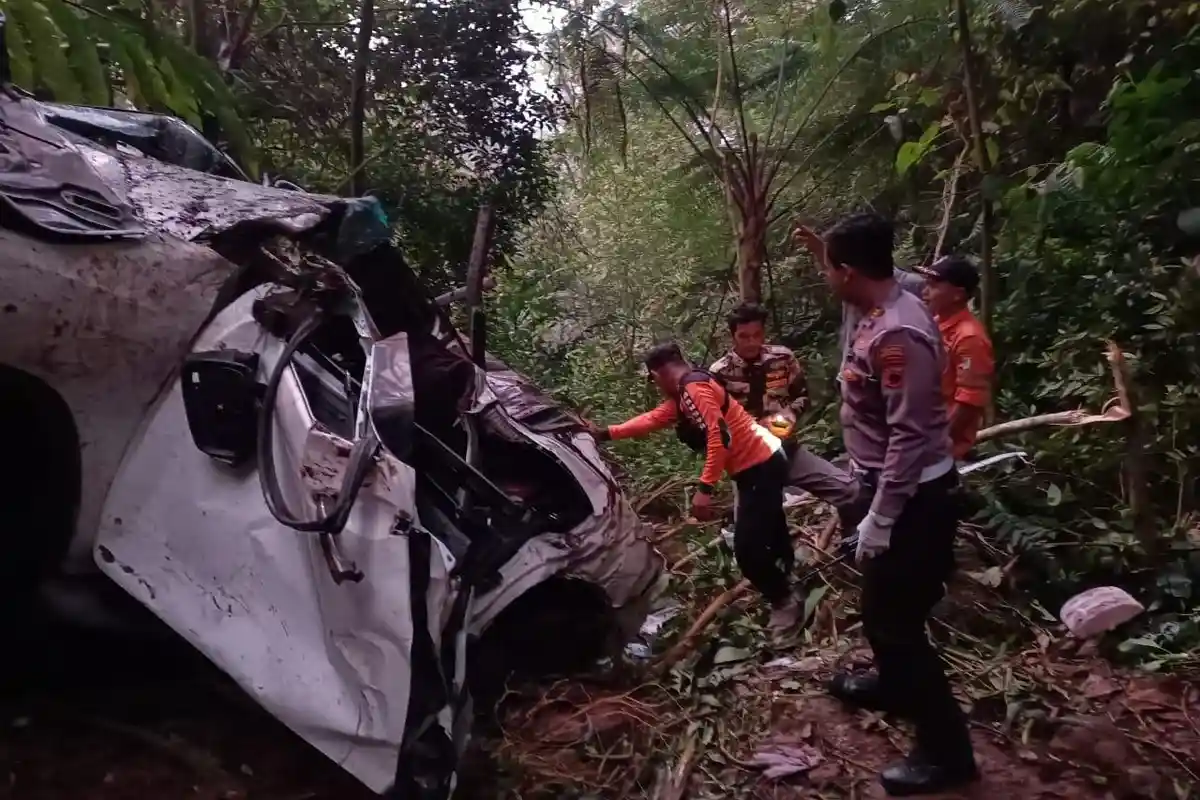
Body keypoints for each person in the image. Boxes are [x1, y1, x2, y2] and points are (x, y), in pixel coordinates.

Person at [817, 212, 978, 796]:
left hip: (913, 498)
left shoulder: (898, 335)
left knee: (899, 624)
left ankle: (947, 753)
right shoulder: (889, 299)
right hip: (882, 483)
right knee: (879, 608)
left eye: (828, 265)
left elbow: (910, 436)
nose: (824, 275)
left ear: (849, 271)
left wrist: (882, 518)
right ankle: (891, 684)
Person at [586, 342, 804, 637]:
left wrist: (705, 489)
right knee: (772, 526)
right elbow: (653, 418)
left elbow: (719, 437)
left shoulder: (694, 390)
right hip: (762, 460)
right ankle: (789, 575)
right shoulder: (686, 392)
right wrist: (606, 433)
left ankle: (784, 600)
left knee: (748, 550)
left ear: (657, 374)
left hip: (759, 465)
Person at [710, 303, 859, 511]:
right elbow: (717, 424)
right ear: (732, 336)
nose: (752, 342)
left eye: (757, 334)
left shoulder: (782, 358)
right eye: (744, 336)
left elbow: (803, 396)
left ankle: (853, 538)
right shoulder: (719, 373)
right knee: (758, 522)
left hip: (787, 448)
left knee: (850, 491)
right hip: (750, 462)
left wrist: (788, 414)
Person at [791, 221, 924, 360]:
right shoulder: (861, 290)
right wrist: (820, 249)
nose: (827, 277)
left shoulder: (899, 328)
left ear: (849, 274)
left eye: (829, 269)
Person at [916, 255, 995, 461]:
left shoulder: (970, 337)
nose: (925, 291)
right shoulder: (934, 323)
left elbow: (969, 401)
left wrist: (937, 442)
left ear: (957, 295)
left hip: (940, 449)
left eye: (933, 286)